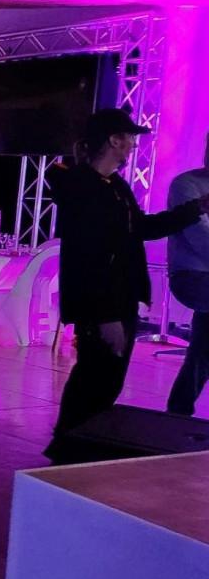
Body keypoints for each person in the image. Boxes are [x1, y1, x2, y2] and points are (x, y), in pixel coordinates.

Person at [44, 109, 209, 463]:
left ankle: (80, 445)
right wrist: (105, 318)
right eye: (129, 138)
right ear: (114, 140)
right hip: (101, 303)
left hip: (121, 297)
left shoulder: (114, 186)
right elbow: (88, 257)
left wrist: (196, 208)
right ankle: (67, 447)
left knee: (108, 377)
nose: (134, 145)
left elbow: (142, 229)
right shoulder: (84, 190)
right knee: (95, 376)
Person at [167, 133, 209, 416]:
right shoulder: (187, 185)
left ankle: (179, 410)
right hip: (192, 275)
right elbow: (201, 238)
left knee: (204, 346)